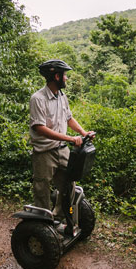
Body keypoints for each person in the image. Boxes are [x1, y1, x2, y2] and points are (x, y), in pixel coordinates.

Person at [29, 59, 94, 235]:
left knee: (68, 184)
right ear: (56, 76)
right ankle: (44, 227)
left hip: (62, 149)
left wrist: (83, 132)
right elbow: (40, 128)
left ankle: (59, 217)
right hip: (44, 152)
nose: (66, 78)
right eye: (65, 75)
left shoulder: (61, 96)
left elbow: (69, 118)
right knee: (42, 188)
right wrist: (70, 138)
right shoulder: (38, 99)